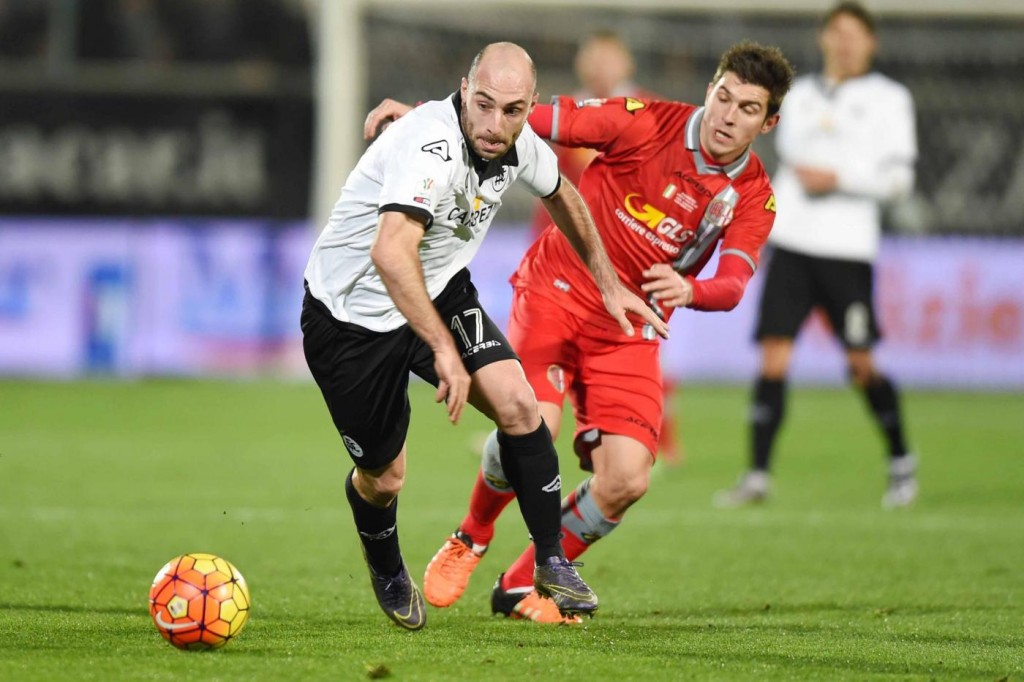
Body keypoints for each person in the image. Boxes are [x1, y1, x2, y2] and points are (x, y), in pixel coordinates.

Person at [364, 40, 795, 623]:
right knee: (533, 424)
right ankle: (472, 533)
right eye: (723, 96)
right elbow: (527, 115)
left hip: (628, 326)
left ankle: (523, 584)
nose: (727, 115)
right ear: (709, 89)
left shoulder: (754, 197)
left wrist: (691, 290)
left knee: (627, 479)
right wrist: (423, 116)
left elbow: (735, 282)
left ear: (768, 123)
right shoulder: (644, 121)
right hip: (557, 290)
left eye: (747, 108)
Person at [302, 42, 667, 631]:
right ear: (464, 90)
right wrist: (442, 349)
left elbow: (562, 192)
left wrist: (608, 283)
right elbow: (391, 253)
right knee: (384, 479)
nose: (497, 125)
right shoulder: (429, 147)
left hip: (439, 289)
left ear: (531, 105)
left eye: (514, 110)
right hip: (352, 320)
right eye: (485, 105)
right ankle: (388, 568)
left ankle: (551, 562)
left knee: (521, 407)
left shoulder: (517, 140)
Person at [714, 2, 919, 509]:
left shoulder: (890, 99)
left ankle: (901, 461)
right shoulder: (800, 95)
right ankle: (757, 475)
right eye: (837, 33)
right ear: (824, 38)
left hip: (848, 250)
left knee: (860, 363)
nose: (844, 44)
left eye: (854, 35)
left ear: (870, 43)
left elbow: (899, 180)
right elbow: (787, 163)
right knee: (773, 356)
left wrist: (840, 178)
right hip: (792, 243)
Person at [531, 31, 685, 465]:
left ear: (627, 64)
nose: (599, 66)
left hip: (631, 254)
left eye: (608, 58)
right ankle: (528, 430)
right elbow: (551, 184)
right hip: (574, 253)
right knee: (550, 343)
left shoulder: (652, 111)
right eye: (592, 57)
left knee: (639, 345)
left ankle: (660, 440)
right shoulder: (567, 112)